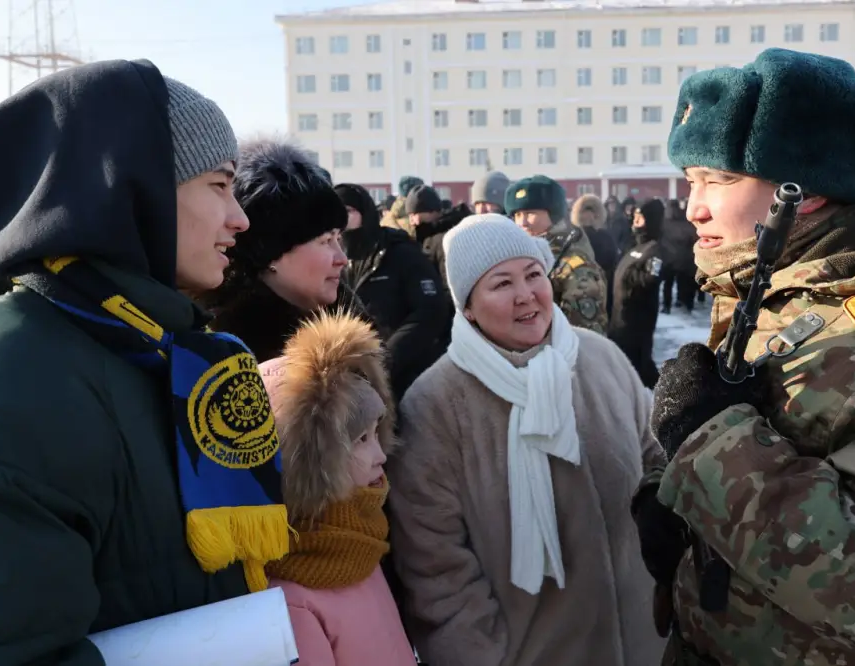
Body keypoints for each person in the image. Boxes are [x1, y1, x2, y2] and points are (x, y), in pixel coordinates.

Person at [632, 47, 855, 666]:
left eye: (718, 180)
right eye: (691, 180)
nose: (693, 207)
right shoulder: (777, 293)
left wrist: (711, 445)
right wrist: (676, 500)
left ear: (807, 193)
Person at [0, 60, 290, 664]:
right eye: (219, 184)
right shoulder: (17, 373)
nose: (241, 218)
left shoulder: (166, 349)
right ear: (135, 187)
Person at [387, 214, 666, 666]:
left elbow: (656, 459)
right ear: (468, 307)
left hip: (645, 646)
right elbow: (436, 569)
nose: (526, 295)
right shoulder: (436, 406)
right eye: (501, 284)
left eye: (534, 274)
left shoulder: (600, 359)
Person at [259, 312, 415, 666]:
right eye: (360, 439)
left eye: (377, 432)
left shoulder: (360, 546)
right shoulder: (291, 602)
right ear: (307, 466)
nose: (380, 455)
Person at [198, 138, 350, 362]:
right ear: (270, 253)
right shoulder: (232, 356)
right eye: (326, 241)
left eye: (339, 238)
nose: (343, 259)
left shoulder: (351, 328)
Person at [335, 182, 450, 400]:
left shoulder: (398, 252)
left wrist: (387, 358)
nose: (339, 219)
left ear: (365, 212)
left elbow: (430, 311)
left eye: (347, 211)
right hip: (354, 380)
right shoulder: (333, 257)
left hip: (406, 377)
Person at [505, 176, 609, 335]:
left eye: (530, 213)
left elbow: (585, 336)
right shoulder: (520, 256)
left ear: (553, 215)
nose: (522, 222)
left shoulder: (576, 267)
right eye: (517, 215)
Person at [609, 198, 665, 389]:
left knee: (639, 367)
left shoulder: (654, 250)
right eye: (635, 217)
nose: (635, 222)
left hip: (638, 322)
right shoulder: (635, 248)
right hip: (620, 318)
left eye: (640, 218)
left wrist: (630, 280)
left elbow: (650, 278)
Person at [570, 193, 619, 318]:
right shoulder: (573, 237)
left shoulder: (573, 237)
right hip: (580, 291)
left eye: (590, 211)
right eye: (584, 211)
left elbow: (611, 264)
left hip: (597, 289)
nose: (587, 216)